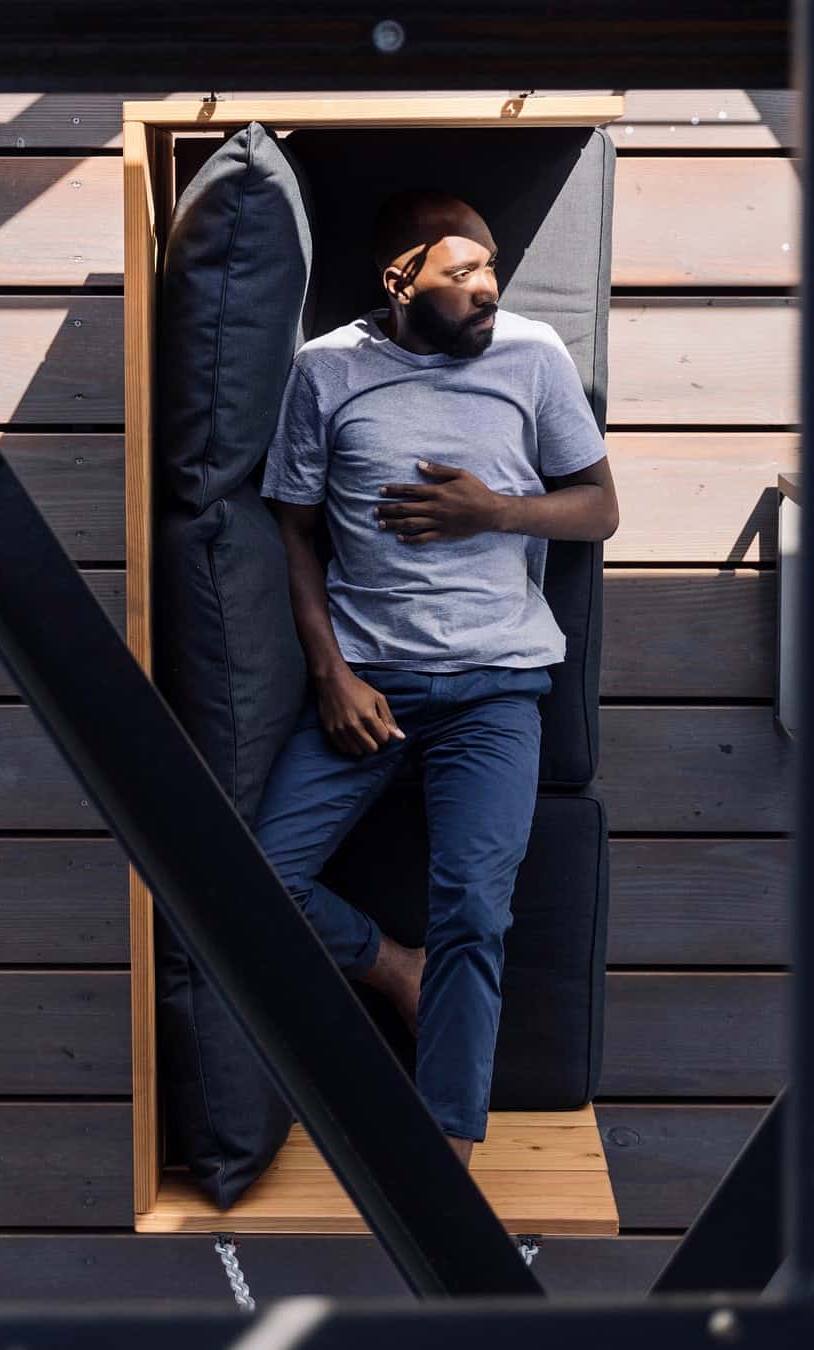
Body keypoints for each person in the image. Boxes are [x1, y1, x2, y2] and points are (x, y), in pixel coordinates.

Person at [254, 188, 619, 1169]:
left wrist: (494, 513)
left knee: (475, 906)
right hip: (371, 682)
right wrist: (331, 674)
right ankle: (393, 968)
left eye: (493, 269)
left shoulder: (534, 359)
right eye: (463, 273)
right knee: (250, 885)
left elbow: (599, 509)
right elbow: (292, 527)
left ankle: (447, 1150)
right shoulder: (326, 371)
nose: (487, 289)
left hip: (498, 686)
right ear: (400, 280)